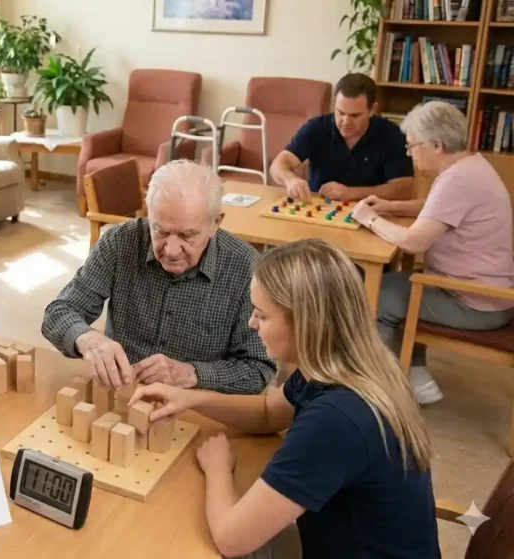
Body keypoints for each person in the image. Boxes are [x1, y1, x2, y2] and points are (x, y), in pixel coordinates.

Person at [131, 239, 439, 559]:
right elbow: (268, 412)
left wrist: (219, 467)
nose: (252, 324)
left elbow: (231, 539)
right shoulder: (346, 363)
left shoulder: (336, 419)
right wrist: (190, 399)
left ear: (305, 324)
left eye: (261, 315)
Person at [41, 160, 274, 395]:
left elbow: (259, 369)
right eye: (160, 231)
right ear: (148, 213)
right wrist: (89, 340)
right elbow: (58, 313)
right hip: (122, 395)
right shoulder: (120, 242)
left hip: (198, 405)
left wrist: (192, 373)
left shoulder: (246, 268)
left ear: (216, 223)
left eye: (187, 235)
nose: (171, 250)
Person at [351, 100, 514, 405]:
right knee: (404, 284)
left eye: (412, 146)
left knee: (377, 295)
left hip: (475, 302)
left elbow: (413, 242)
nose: (409, 153)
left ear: (436, 144)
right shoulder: (471, 166)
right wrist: (389, 207)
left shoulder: (457, 180)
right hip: (492, 293)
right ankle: (416, 379)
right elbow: (437, 209)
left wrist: (370, 219)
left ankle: (382, 396)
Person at [270, 73, 414, 203]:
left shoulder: (391, 134)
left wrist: (351, 193)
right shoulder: (316, 127)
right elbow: (279, 164)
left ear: (372, 110)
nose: (345, 122)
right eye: (340, 113)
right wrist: (291, 179)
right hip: (317, 208)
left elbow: (404, 188)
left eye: (355, 115)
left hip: (369, 212)